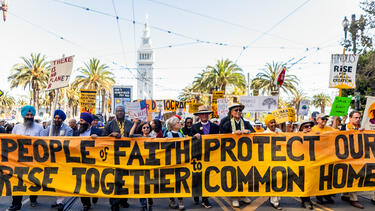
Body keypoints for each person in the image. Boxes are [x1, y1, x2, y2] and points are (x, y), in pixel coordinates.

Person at [8, 105, 44, 211]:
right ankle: (16, 204)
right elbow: (11, 142)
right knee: (17, 182)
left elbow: (43, 143)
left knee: (33, 181)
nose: (29, 116)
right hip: (19, 160)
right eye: (27, 114)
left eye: (31, 114)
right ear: (24, 115)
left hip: (34, 160)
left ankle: (33, 199)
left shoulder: (39, 127)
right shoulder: (16, 127)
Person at [219, 103, 253, 208]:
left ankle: (243, 195)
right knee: (233, 175)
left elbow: (255, 133)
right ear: (231, 112)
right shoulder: (227, 123)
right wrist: (233, 133)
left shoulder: (246, 123)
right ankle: (234, 197)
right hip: (231, 154)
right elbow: (221, 134)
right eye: (236, 110)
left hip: (244, 154)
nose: (238, 112)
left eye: (240, 110)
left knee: (243, 175)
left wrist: (249, 131)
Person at [40, 110, 72, 210]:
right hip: (51, 159)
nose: (57, 120)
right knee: (54, 180)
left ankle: (61, 202)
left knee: (61, 179)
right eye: (55, 118)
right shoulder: (50, 128)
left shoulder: (68, 129)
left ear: (62, 119)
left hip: (62, 159)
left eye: (59, 118)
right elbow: (41, 137)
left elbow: (69, 142)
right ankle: (58, 200)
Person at [103, 106, 133, 211]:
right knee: (114, 181)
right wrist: (111, 135)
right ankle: (114, 204)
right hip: (113, 157)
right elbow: (102, 140)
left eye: (121, 111)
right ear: (115, 113)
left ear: (124, 113)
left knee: (125, 180)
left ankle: (123, 200)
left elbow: (136, 136)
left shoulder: (130, 124)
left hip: (127, 157)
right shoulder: (109, 124)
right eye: (118, 111)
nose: (120, 112)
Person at [191, 105, 220, 209]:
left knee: (207, 177)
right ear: (199, 115)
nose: (204, 115)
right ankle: (196, 194)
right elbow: (189, 141)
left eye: (206, 113)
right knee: (197, 176)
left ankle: (205, 199)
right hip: (198, 155)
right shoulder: (194, 127)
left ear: (208, 115)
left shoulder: (215, 127)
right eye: (202, 114)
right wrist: (194, 137)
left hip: (211, 155)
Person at [340, 110, 364, 209]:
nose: (358, 119)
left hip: (357, 156)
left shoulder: (362, 128)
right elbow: (340, 136)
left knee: (354, 175)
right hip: (346, 156)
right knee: (350, 175)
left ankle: (346, 195)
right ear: (350, 118)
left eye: (359, 118)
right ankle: (353, 199)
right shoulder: (345, 127)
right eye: (356, 118)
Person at [78, 112, 102, 211]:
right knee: (82, 183)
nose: (80, 122)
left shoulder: (98, 131)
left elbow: (106, 142)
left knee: (94, 182)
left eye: (82, 120)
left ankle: (95, 195)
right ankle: (85, 204)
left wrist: (98, 139)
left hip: (94, 162)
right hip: (80, 162)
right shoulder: (76, 132)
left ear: (87, 122)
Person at [129, 121, 154, 211]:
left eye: (147, 127)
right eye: (144, 128)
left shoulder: (154, 138)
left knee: (149, 185)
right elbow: (130, 135)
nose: (146, 129)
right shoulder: (139, 137)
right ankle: (143, 204)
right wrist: (135, 123)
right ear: (142, 129)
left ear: (150, 129)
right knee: (141, 186)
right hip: (140, 165)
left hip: (150, 164)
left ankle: (150, 199)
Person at [165, 116, 185, 210]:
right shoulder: (168, 135)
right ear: (173, 125)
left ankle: (180, 199)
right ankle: (172, 199)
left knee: (179, 181)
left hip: (180, 161)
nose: (179, 124)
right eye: (177, 123)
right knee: (171, 181)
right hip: (171, 161)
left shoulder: (181, 135)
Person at [263, 114, 282, 210]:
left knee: (279, 179)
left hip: (280, 159)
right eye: (271, 122)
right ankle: (274, 201)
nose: (273, 124)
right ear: (267, 124)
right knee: (273, 180)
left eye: (274, 122)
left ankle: (275, 198)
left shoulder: (279, 131)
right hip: (270, 160)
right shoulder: (264, 133)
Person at [298, 120, 315, 210]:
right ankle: (305, 200)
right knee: (303, 182)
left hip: (312, 163)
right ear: (301, 128)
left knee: (310, 182)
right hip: (301, 164)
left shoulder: (315, 135)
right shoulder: (296, 136)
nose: (309, 128)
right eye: (306, 126)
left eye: (310, 126)